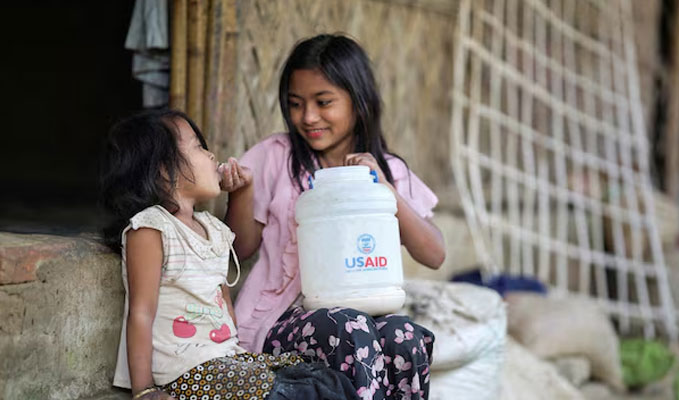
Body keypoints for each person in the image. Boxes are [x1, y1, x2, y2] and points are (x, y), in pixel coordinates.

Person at [221, 34, 445, 400]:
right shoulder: (276, 157)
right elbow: (240, 248)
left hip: (364, 319)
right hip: (283, 322)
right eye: (295, 104)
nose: (308, 117)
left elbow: (435, 254)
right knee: (350, 326)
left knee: (404, 336)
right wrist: (242, 193)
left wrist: (386, 190)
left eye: (323, 102)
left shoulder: (388, 169)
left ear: (358, 103)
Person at [100, 109, 357, 400]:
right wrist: (145, 390)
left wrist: (240, 356)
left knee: (322, 380)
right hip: (187, 373)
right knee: (294, 393)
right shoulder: (151, 228)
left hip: (225, 362)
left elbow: (223, 301)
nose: (211, 156)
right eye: (198, 147)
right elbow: (141, 312)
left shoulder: (213, 229)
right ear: (161, 168)